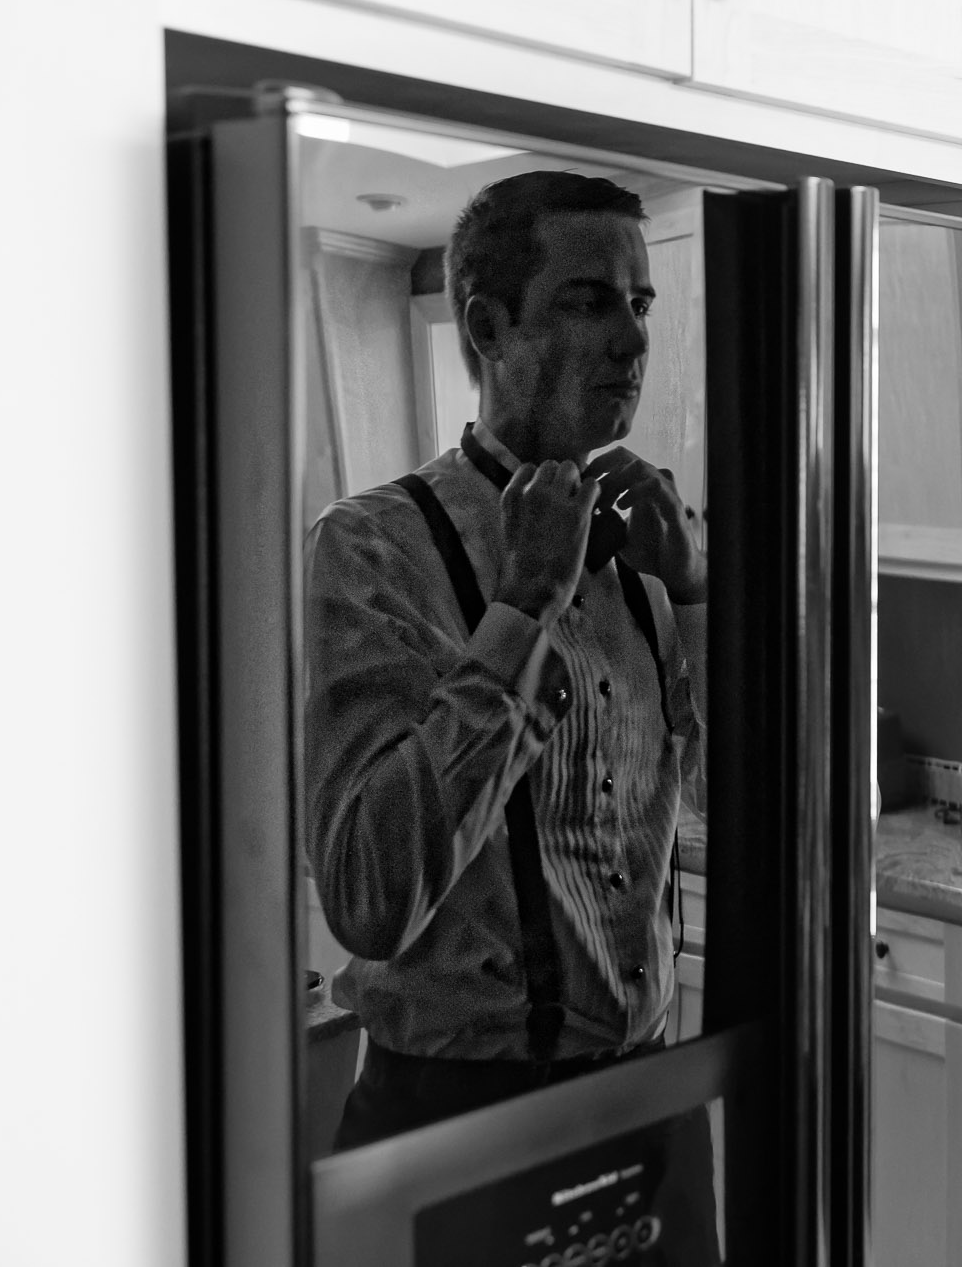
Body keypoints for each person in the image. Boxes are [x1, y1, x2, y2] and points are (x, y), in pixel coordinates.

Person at [302, 170, 709, 1180]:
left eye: (639, 303)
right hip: (455, 1130)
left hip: (649, 1104)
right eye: (586, 301)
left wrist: (697, 595)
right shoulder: (369, 550)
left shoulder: (653, 553)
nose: (631, 338)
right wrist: (521, 609)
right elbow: (366, 897)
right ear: (485, 326)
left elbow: (733, 806)